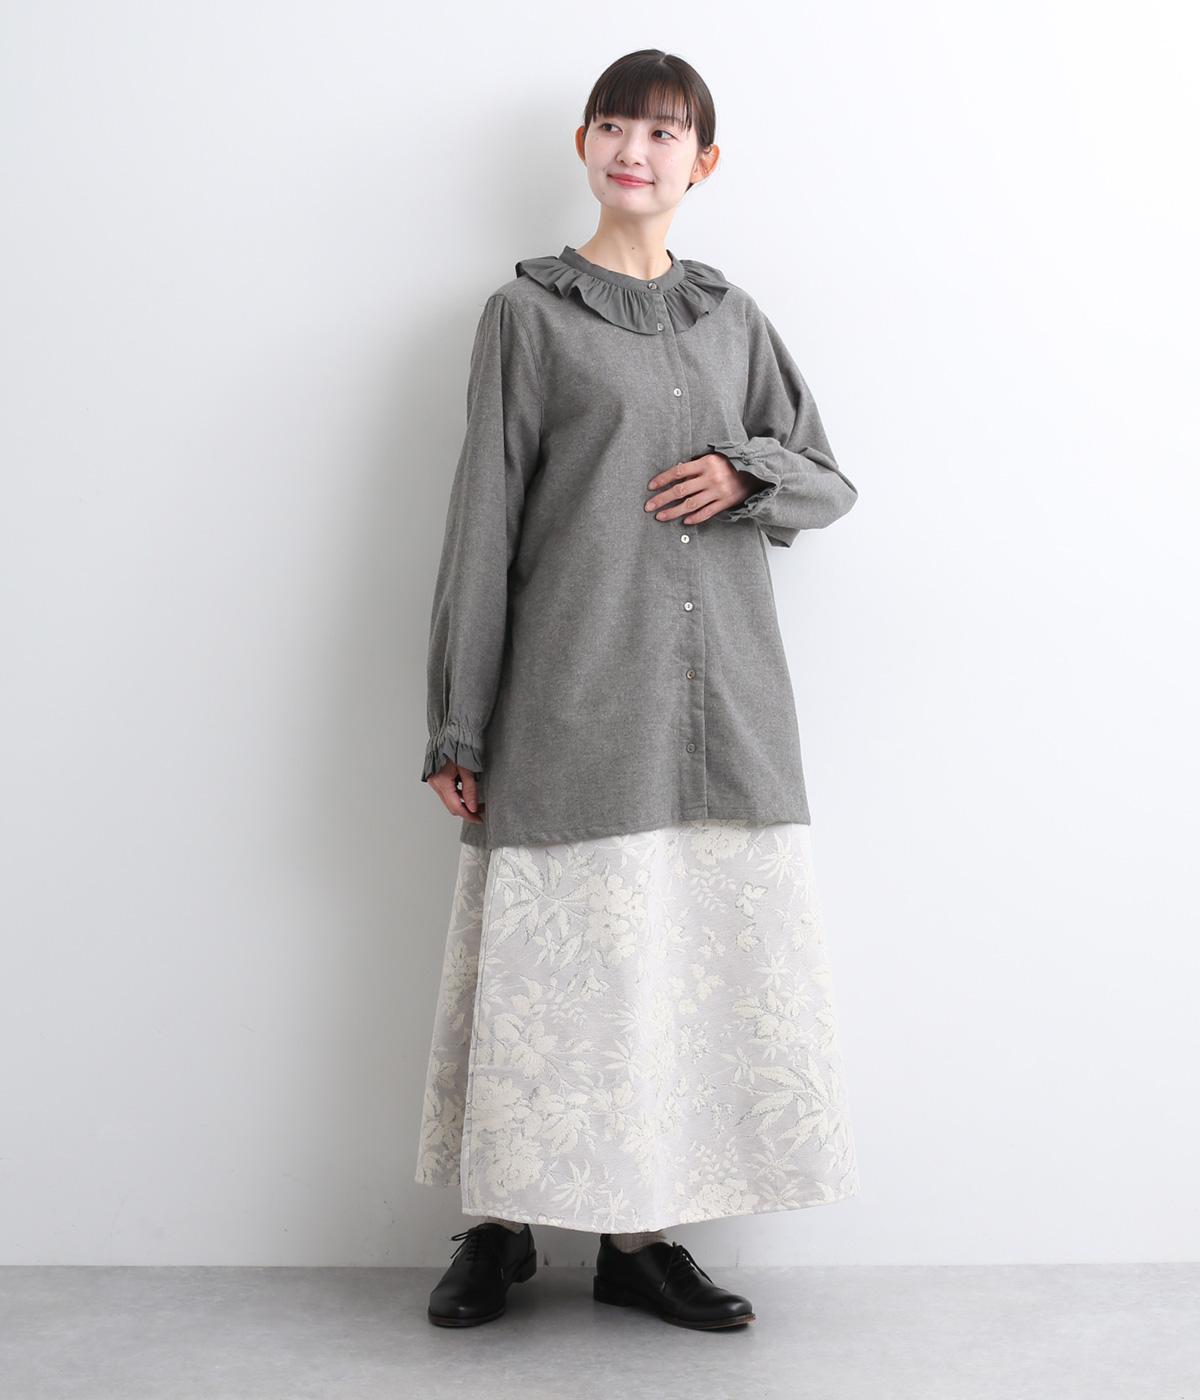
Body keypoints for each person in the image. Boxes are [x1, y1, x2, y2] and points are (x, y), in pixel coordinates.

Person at [414, 48, 861, 1330]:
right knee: (550, 985)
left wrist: (746, 471)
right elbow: (483, 520)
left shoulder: (735, 319)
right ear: (584, 144)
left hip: (724, 716)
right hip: (573, 701)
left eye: (663, 133)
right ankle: (498, 1227)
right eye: (614, 125)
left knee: (665, 980)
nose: (635, 150)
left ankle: (637, 1239)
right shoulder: (526, 317)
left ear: (702, 162)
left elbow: (829, 480)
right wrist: (458, 716)